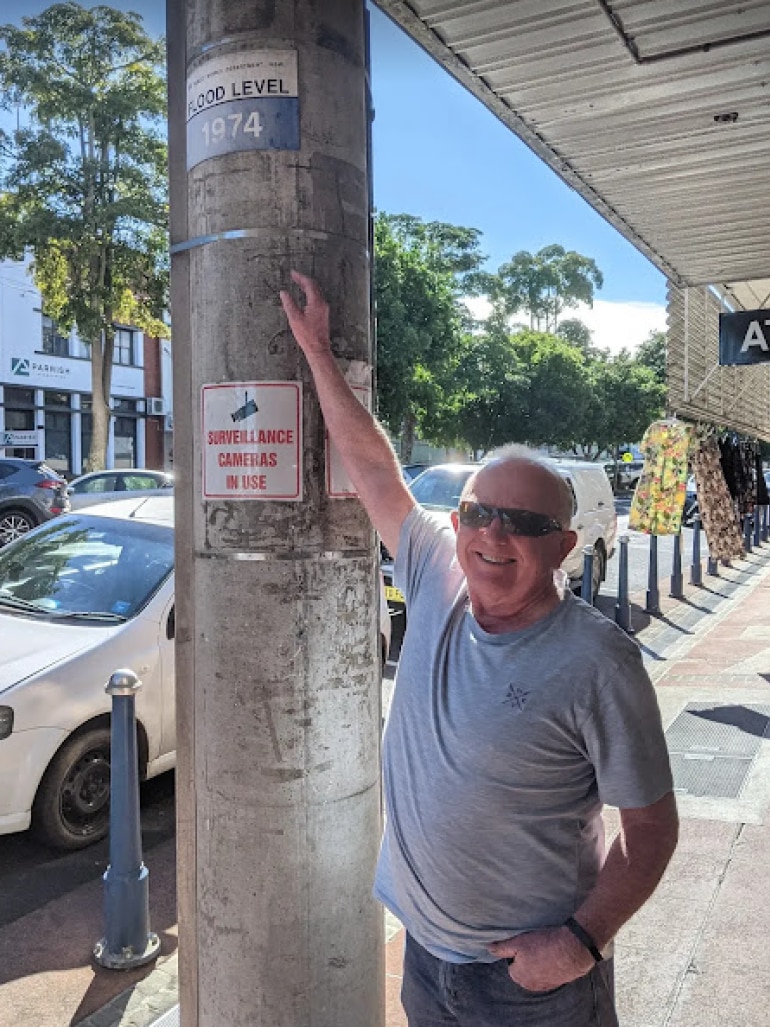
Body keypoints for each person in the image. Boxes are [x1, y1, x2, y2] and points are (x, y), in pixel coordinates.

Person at [280, 271, 678, 1027]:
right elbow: (374, 468)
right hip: (429, 962)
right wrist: (317, 352)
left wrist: (580, 943)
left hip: (536, 986)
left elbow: (652, 828)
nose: (493, 534)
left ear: (563, 545)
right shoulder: (435, 573)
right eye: (477, 512)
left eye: (521, 523)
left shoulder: (599, 662)